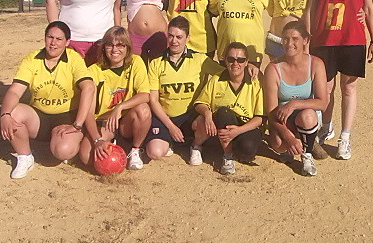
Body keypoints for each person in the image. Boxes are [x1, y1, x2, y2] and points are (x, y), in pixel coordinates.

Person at [305, 0, 373, 160]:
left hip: (352, 38)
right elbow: (311, 7)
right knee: (325, 89)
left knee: (349, 86)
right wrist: (307, 37)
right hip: (323, 39)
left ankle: (345, 138)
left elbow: (368, 7)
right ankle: (327, 125)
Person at [0, 21, 94, 179]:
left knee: (62, 151)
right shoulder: (32, 59)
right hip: (39, 115)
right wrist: (4, 115)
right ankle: (25, 157)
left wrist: (77, 124)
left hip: (67, 116)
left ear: (67, 42)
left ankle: (74, 140)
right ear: (45, 38)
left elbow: (89, 87)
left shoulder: (74, 59)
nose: (53, 43)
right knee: (13, 113)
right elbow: (15, 91)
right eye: (50, 37)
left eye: (59, 39)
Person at [145, 16, 222, 161]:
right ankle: (171, 140)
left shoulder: (200, 59)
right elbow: (153, 101)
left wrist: (248, 66)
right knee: (154, 153)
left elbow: (224, 73)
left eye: (179, 37)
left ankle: (196, 145)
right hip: (166, 117)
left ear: (187, 38)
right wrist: (171, 127)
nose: (174, 41)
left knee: (207, 119)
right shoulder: (156, 63)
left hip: (190, 117)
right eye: (171, 36)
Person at [79, 26, 151, 171]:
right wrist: (97, 140)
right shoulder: (94, 71)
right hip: (104, 124)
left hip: (126, 122)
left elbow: (145, 95)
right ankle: (113, 144)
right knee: (86, 158)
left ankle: (135, 150)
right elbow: (88, 112)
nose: (114, 49)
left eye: (120, 45)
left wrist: (120, 107)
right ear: (104, 48)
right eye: (110, 45)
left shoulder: (136, 62)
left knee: (143, 109)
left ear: (127, 47)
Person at [264, 22, 328, 176]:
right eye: (285, 39)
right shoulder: (273, 69)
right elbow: (271, 113)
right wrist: (287, 136)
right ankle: (299, 140)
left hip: (308, 116)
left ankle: (307, 154)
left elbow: (323, 103)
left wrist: (294, 104)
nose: (289, 43)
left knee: (307, 115)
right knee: (279, 145)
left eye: (295, 39)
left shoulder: (316, 64)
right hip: (283, 118)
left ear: (305, 40)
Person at [193, 42, 264, 175]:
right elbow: (200, 103)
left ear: (247, 62)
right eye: (231, 59)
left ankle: (233, 146)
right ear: (225, 60)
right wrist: (207, 114)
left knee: (248, 149)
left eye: (240, 60)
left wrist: (237, 131)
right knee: (223, 112)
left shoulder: (255, 83)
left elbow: (260, 118)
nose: (235, 63)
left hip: (246, 126)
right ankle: (227, 155)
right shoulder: (216, 79)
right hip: (222, 122)